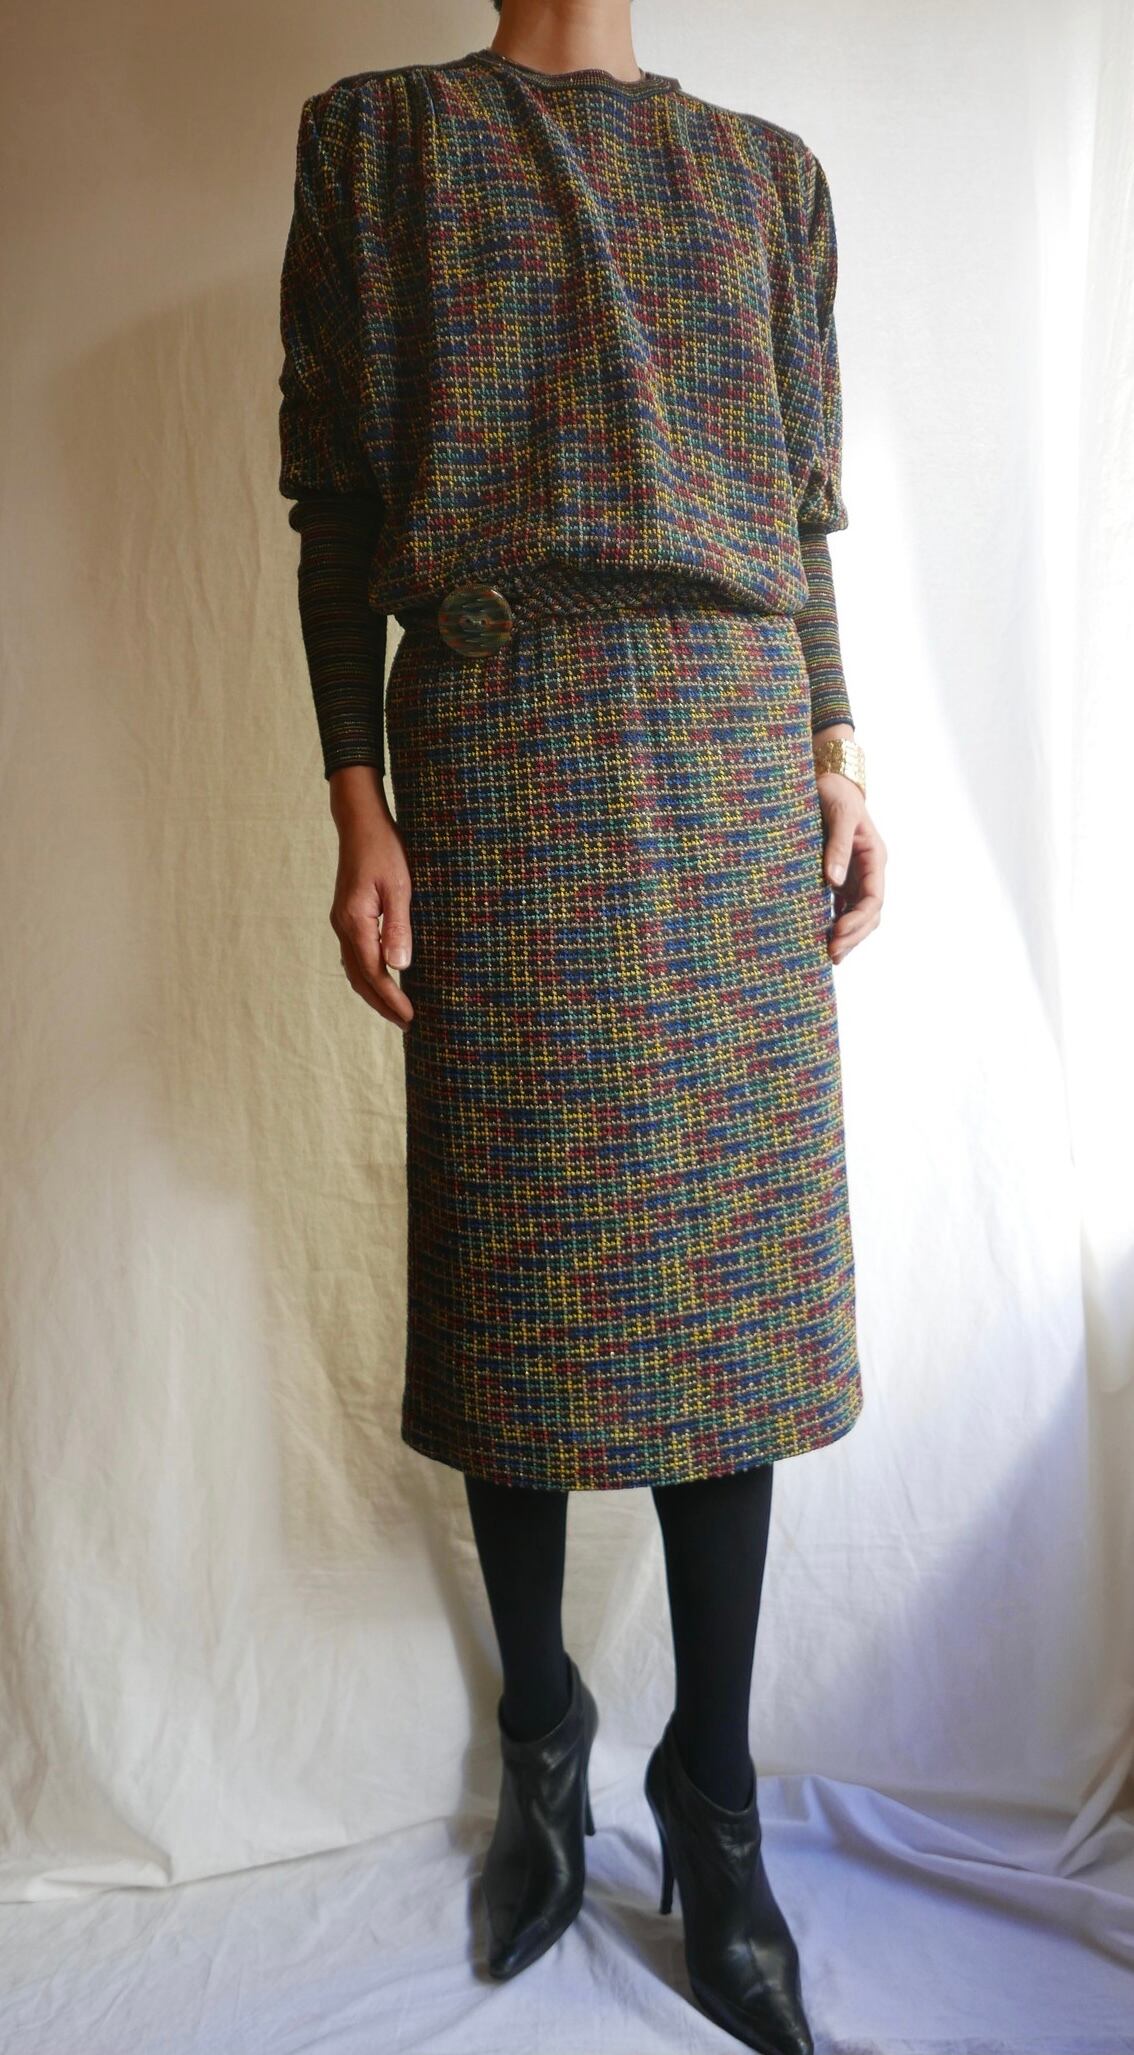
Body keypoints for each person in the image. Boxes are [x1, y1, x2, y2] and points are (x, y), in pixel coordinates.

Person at [277, 2, 886, 2047]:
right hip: (500, 741)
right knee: (520, 1269)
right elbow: (336, 504)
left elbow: (800, 511)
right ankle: (543, 1735)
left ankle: (714, 1796)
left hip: (727, 758)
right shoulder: (378, 144)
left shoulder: (769, 176)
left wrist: (837, 749)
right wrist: (357, 796)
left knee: (726, 1284)